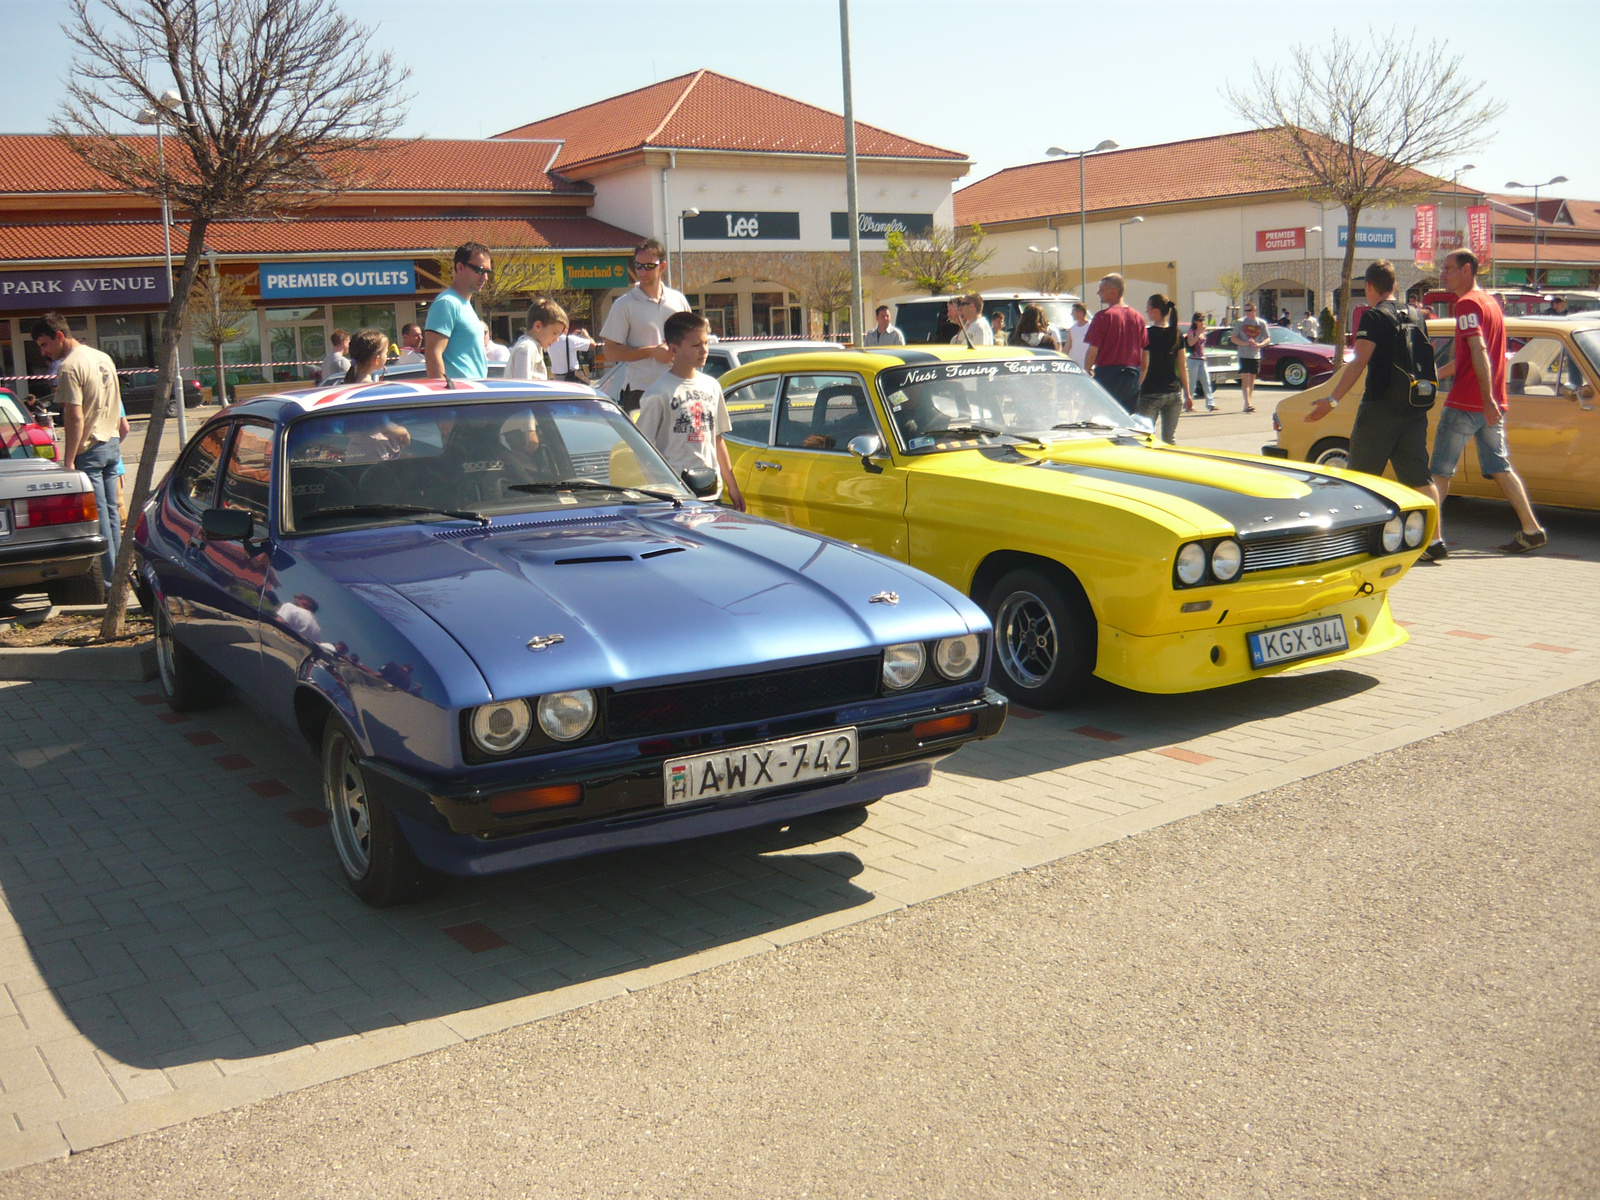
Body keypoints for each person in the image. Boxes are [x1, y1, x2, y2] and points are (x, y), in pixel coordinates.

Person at [1429, 249, 1547, 556]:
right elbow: (1468, 358)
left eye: (1448, 268)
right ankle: (1532, 530)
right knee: (1500, 467)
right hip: (1488, 405)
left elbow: (1479, 351)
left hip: (1468, 403)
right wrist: (1435, 375)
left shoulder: (1467, 303)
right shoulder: (1490, 303)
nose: (1443, 273)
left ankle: (1430, 540)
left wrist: (1487, 398)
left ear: (1467, 270)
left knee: (1439, 471)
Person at [1304, 259, 1441, 519]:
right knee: (1420, 478)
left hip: (1380, 407)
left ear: (1368, 286)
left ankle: (1359, 536)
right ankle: (1434, 541)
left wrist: (1332, 400)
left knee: (1360, 479)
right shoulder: (1415, 315)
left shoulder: (1374, 316)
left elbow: (1359, 362)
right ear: (1394, 285)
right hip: (1413, 406)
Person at [30, 313, 123, 583]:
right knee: (112, 513)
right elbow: (116, 403)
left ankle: (108, 582)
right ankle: (119, 577)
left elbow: (74, 417)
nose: (44, 351)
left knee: (99, 519)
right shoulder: (102, 357)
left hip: (89, 448)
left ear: (60, 336)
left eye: (45, 344)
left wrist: (68, 460)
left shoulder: (69, 367)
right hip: (110, 441)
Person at [636, 311, 744, 510]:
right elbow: (642, 449)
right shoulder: (658, 392)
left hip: (710, 491)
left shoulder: (712, 386)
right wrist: (661, 489)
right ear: (674, 349)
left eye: (706, 343)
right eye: (696, 345)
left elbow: (717, 438)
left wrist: (732, 486)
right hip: (676, 495)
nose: (704, 350)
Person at [600, 237, 690, 412]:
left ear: (662, 266)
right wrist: (652, 352)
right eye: (638, 265)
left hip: (678, 386)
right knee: (645, 440)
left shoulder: (677, 300)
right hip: (641, 390)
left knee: (677, 439)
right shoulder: (624, 304)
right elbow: (610, 352)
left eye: (649, 266)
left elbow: (691, 340)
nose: (642, 271)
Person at [425, 242, 491, 380]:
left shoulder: (465, 305)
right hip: (460, 395)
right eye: (479, 270)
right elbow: (432, 354)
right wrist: (444, 396)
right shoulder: (447, 303)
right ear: (460, 267)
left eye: (487, 272)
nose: (485, 277)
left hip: (474, 392)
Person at [1083, 275, 1147, 411]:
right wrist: (1140, 378)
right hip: (1131, 376)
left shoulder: (1102, 317)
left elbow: (1093, 350)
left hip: (1107, 375)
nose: (1098, 293)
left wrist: (1087, 369)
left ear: (1112, 291)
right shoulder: (1138, 317)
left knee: (1105, 418)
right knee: (1128, 422)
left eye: (1102, 289)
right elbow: (1144, 354)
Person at [1137, 294, 1191, 444]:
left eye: (1148, 309)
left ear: (1155, 311)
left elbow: (1144, 366)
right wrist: (1187, 393)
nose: (1146, 312)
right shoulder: (1177, 333)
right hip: (1173, 392)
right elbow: (1182, 366)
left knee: (1145, 437)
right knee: (1169, 439)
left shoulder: (1148, 334)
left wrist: (1137, 387)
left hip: (1151, 392)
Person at [506, 297, 567, 381]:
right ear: (538, 326)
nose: (556, 339)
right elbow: (523, 388)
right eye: (554, 333)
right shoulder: (526, 348)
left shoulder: (533, 348)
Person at [1230, 302, 1272, 413]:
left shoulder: (1261, 323)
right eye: (1246, 310)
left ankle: (1247, 402)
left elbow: (1267, 338)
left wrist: (1260, 345)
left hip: (1255, 355)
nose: (1247, 313)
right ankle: (1248, 403)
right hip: (1244, 355)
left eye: (1249, 310)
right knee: (1245, 378)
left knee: (1252, 379)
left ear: (1255, 310)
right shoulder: (1240, 322)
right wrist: (1246, 343)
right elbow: (1233, 338)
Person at [1185, 313, 1215, 411]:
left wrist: (1202, 332)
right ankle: (1189, 405)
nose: (1203, 322)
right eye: (1200, 320)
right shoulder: (1192, 331)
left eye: (1203, 320)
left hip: (1202, 359)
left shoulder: (1204, 331)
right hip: (1193, 360)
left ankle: (1210, 404)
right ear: (1195, 321)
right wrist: (1198, 333)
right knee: (1192, 383)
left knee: (1206, 382)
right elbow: (1190, 343)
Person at [1061, 302, 1092, 369]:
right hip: (1073, 364)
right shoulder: (1072, 328)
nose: (1071, 314)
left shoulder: (1091, 327)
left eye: (1073, 312)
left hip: (1086, 364)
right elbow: (1067, 346)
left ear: (1080, 313)